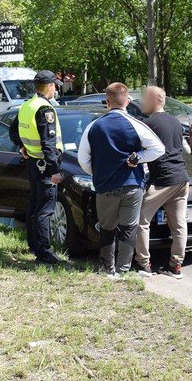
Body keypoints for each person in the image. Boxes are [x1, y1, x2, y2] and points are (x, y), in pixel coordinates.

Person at [77, 82, 165, 279]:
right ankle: (123, 270)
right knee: (129, 228)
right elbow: (158, 149)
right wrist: (137, 158)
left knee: (107, 228)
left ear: (107, 102)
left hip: (105, 186)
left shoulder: (93, 126)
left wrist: (97, 172)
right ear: (127, 100)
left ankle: (107, 268)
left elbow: (83, 159)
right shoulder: (136, 124)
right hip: (132, 184)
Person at [9, 70, 64, 265]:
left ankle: (33, 244)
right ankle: (43, 253)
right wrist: (54, 171)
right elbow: (48, 144)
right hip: (43, 165)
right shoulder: (44, 109)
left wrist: (22, 146)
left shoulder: (26, 106)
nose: (56, 88)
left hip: (33, 162)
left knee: (34, 205)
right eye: (55, 85)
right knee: (45, 209)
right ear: (49, 86)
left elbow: (13, 131)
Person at [134, 86, 190, 279]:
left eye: (144, 98)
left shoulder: (148, 124)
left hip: (164, 180)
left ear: (153, 100)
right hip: (182, 178)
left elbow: (140, 152)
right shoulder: (175, 122)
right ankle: (176, 267)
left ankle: (144, 265)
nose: (142, 102)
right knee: (179, 224)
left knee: (141, 219)